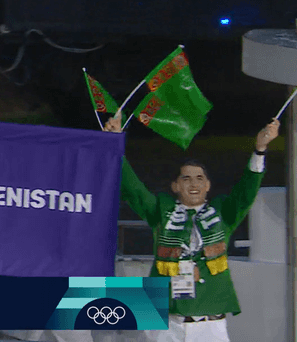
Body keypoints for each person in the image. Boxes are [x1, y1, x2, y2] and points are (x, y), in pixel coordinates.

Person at [105, 114, 279, 342]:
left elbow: (246, 191)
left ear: (208, 185)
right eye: (186, 178)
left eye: (199, 178)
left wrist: (260, 150)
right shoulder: (161, 210)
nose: (193, 184)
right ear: (175, 186)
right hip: (166, 325)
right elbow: (133, 190)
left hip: (210, 326)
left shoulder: (223, 213)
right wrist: (114, 143)